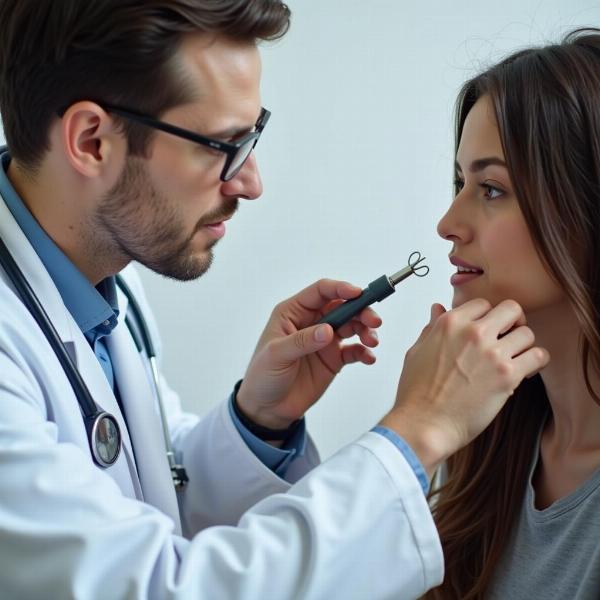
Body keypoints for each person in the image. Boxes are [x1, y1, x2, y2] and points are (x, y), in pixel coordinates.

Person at [0, 1, 549, 598]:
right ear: (92, 141)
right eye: (221, 145)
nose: (251, 181)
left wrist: (257, 421)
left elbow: (144, 496)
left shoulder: (99, 292)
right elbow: (158, 586)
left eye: (252, 135)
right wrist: (418, 432)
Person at [427, 28, 600, 600]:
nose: (449, 222)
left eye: (492, 188)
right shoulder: (485, 448)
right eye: (459, 182)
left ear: (586, 207)